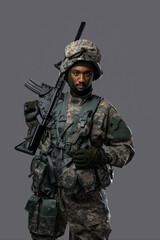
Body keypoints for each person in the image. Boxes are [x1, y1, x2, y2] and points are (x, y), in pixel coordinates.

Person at [24, 39, 135, 240]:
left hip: (84, 197)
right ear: (67, 74)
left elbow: (126, 148)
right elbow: (44, 143)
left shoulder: (103, 109)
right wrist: (32, 122)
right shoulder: (53, 105)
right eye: (76, 73)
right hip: (48, 190)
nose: (81, 79)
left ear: (93, 76)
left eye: (87, 74)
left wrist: (102, 156)